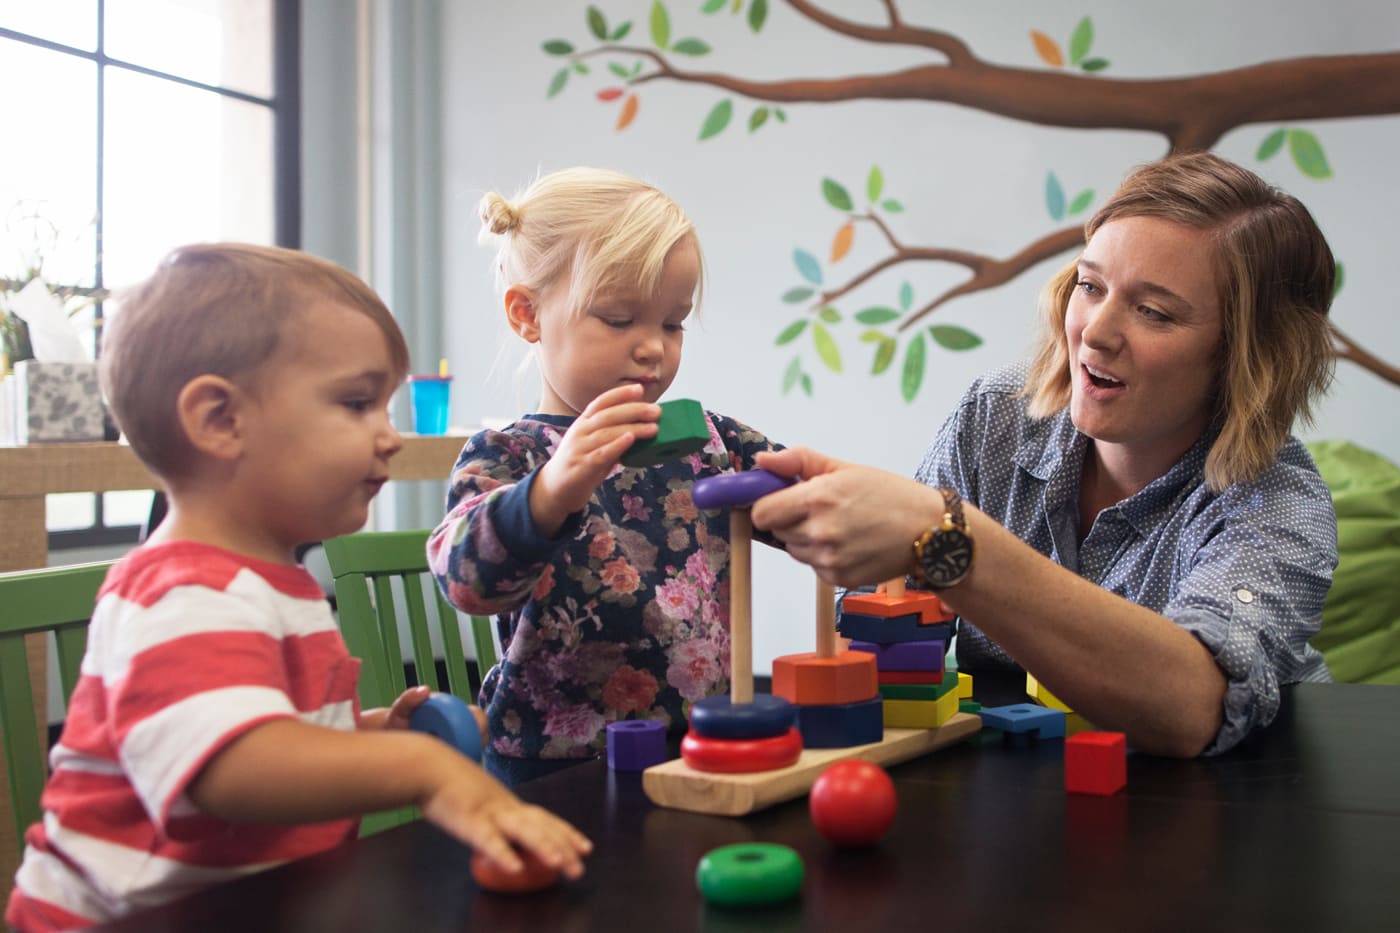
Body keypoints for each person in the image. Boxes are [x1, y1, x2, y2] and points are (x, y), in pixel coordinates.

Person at [6, 244, 590, 933]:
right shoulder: (180, 593)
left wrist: (367, 733)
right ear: (220, 420)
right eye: (356, 402)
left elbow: (258, 727)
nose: (390, 437)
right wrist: (418, 770)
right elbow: (231, 767)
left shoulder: (275, 583)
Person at [749, 151, 1337, 758]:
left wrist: (949, 538)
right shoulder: (996, 414)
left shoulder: (1279, 504)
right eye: (1090, 285)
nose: (1096, 331)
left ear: (1249, 355)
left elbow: (1194, 709)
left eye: (1153, 312)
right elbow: (891, 621)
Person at [427, 167, 783, 785]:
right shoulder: (510, 454)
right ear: (528, 314)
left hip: (700, 745)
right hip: (552, 765)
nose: (653, 348)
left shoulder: (711, 439)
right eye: (619, 320)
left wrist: (864, 511)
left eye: (672, 323)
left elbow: (808, 494)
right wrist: (549, 494)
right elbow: (466, 582)